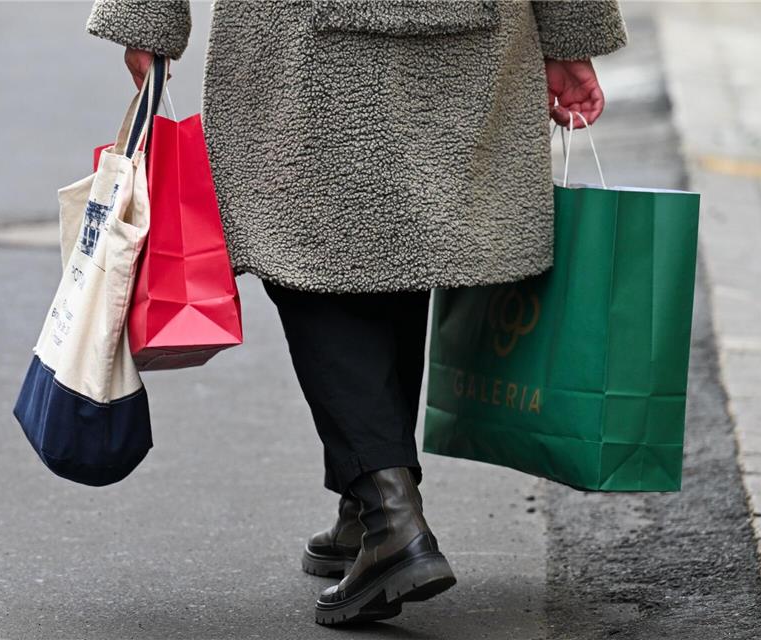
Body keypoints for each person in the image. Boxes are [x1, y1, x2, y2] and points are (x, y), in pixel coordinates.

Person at [86, 0, 626, 626]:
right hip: (472, 26)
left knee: (310, 243)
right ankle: (367, 502)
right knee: (399, 228)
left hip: (305, 33)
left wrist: (148, 19)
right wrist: (571, 32)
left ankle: (388, 513)